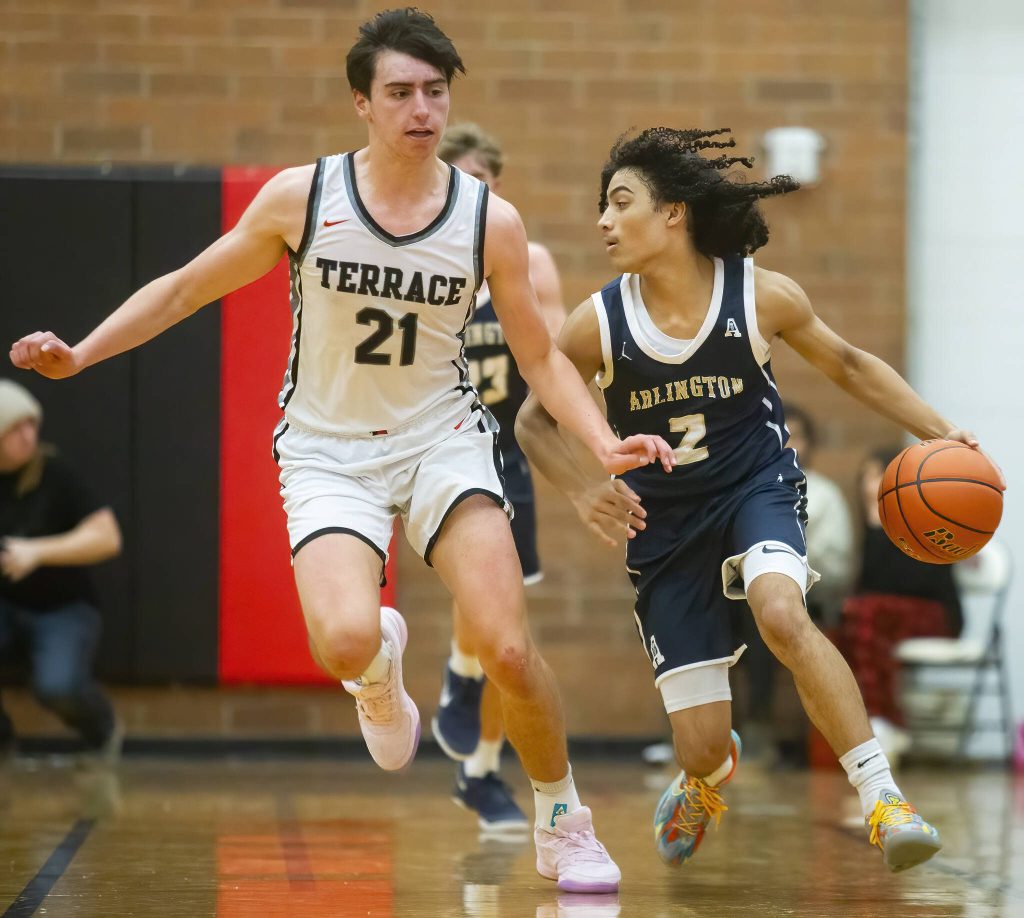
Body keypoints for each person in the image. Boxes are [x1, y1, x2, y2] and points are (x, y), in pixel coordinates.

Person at [9, 10, 677, 893]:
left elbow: (539, 357)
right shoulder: (304, 197)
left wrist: (600, 440)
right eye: (400, 92)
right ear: (362, 102)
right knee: (344, 637)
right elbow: (183, 290)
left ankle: (565, 821)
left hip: (442, 437)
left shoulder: (490, 220)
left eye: (435, 92)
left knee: (508, 647)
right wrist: (83, 352)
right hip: (327, 448)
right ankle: (375, 676)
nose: (421, 109)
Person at [516, 126, 1001, 873]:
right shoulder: (600, 321)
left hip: (756, 487)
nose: (603, 222)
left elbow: (849, 363)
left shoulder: (758, 293)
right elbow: (532, 417)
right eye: (601, 207)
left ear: (673, 213)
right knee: (702, 743)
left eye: (620, 203)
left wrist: (942, 432)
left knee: (782, 611)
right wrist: (584, 488)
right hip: (666, 525)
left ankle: (883, 798)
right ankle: (707, 776)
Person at [432, 123, 565, 832]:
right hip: (441, 444)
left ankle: (479, 772)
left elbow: (564, 348)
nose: (472, 194)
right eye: (460, 181)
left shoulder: (526, 258)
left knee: (506, 626)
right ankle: (457, 669)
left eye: (483, 181)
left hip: (508, 444)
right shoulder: (420, 258)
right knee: (480, 602)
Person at [0, 379, 123, 762]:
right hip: (6, 606)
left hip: (62, 609)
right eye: (14, 428)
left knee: (57, 686)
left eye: (31, 423)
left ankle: (102, 732)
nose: (28, 434)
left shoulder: (56, 475)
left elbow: (107, 537)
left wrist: (36, 552)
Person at [841, 445, 964, 762]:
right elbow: (871, 584)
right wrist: (874, 527)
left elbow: (917, 583)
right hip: (887, 616)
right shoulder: (873, 524)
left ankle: (884, 721)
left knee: (866, 612)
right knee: (852, 619)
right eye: (866, 477)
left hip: (938, 616)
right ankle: (875, 720)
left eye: (878, 476)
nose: (870, 485)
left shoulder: (928, 517)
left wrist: (879, 530)